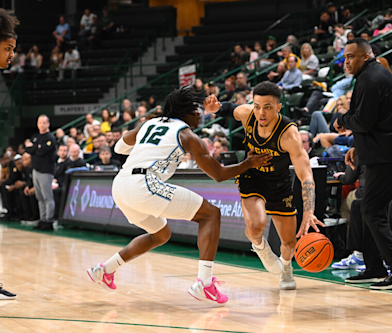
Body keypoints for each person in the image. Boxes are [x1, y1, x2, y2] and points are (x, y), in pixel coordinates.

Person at [87, 85, 271, 305]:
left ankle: (104, 270)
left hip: (120, 185)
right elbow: (219, 174)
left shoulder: (148, 123)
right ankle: (204, 283)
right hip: (143, 184)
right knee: (211, 215)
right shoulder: (187, 135)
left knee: (160, 235)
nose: (200, 113)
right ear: (184, 112)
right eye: (195, 109)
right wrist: (249, 163)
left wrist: (146, 146)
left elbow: (118, 147)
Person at [205, 81, 324, 290]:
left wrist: (309, 212)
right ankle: (260, 248)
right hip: (252, 176)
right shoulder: (247, 114)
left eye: (267, 107)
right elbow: (229, 109)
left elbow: (306, 175)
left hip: (279, 182)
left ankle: (286, 268)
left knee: (289, 242)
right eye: (257, 106)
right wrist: (215, 108)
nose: (261, 113)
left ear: (278, 107)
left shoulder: (289, 135)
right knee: (256, 225)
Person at [333, 38, 392, 290]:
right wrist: (357, 146)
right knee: (365, 208)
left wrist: (342, 120)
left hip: (387, 154)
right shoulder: (371, 75)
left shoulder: (369, 79)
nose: (346, 62)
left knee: (371, 210)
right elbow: (375, 119)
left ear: (366, 56)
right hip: (381, 150)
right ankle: (375, 267)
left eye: (351, 57)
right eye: (345, 57)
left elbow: (363, 121)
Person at [24, 115, 56, 231]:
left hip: (45, 170)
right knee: (39, 197)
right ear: (37, 124)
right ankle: (42, 219)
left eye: (44, 123)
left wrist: (34, 148)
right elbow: (28, 149)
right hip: (35, 170)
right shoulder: (36, 136)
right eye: (40, 123)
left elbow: (42, 151)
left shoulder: (50, 137)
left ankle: (49, 220)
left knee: (47, 197)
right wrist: (35, 148)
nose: (42, 125)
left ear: (48, 124)